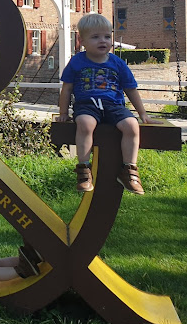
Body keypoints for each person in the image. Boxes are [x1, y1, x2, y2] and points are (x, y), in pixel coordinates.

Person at [56, 13, 154, 194]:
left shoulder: (117, 63)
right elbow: (67, 88)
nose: (103, 41)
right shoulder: (77, 61)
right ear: (82, 40)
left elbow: (130, 89)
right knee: (85, 124)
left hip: (114, 106)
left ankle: (129, 170)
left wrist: (142, 114)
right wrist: (63, 112)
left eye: (107, 36)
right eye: (95, 37)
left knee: (131, 126)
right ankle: (84, 170)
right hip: (87, 104)